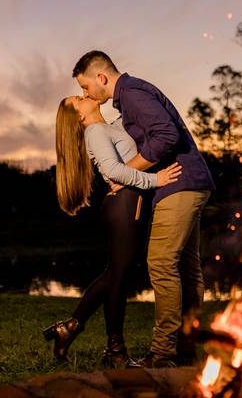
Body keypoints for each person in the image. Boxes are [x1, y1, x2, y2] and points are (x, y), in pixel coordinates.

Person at [73, 50, 215, 368]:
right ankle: (187, 349)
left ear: (101, 78)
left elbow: (167, 135)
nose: (85, 94)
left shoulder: (132, 93)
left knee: (162, 264)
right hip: (191, 181)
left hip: (178, 184)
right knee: (189, 270)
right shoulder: (130, 98)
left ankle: (163, 354)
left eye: (85, 87)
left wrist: (128, 173)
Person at [42, 95, 182, 367]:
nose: (84, 96)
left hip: (127, 204)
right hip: (124, 204)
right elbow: (114, 171)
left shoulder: (108, 127)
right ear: (79, 117)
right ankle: (115, 351)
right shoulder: (94, 131)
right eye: (78, 100)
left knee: (115, 274)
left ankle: (72, 329)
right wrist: (156, 179)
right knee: (118, 276)